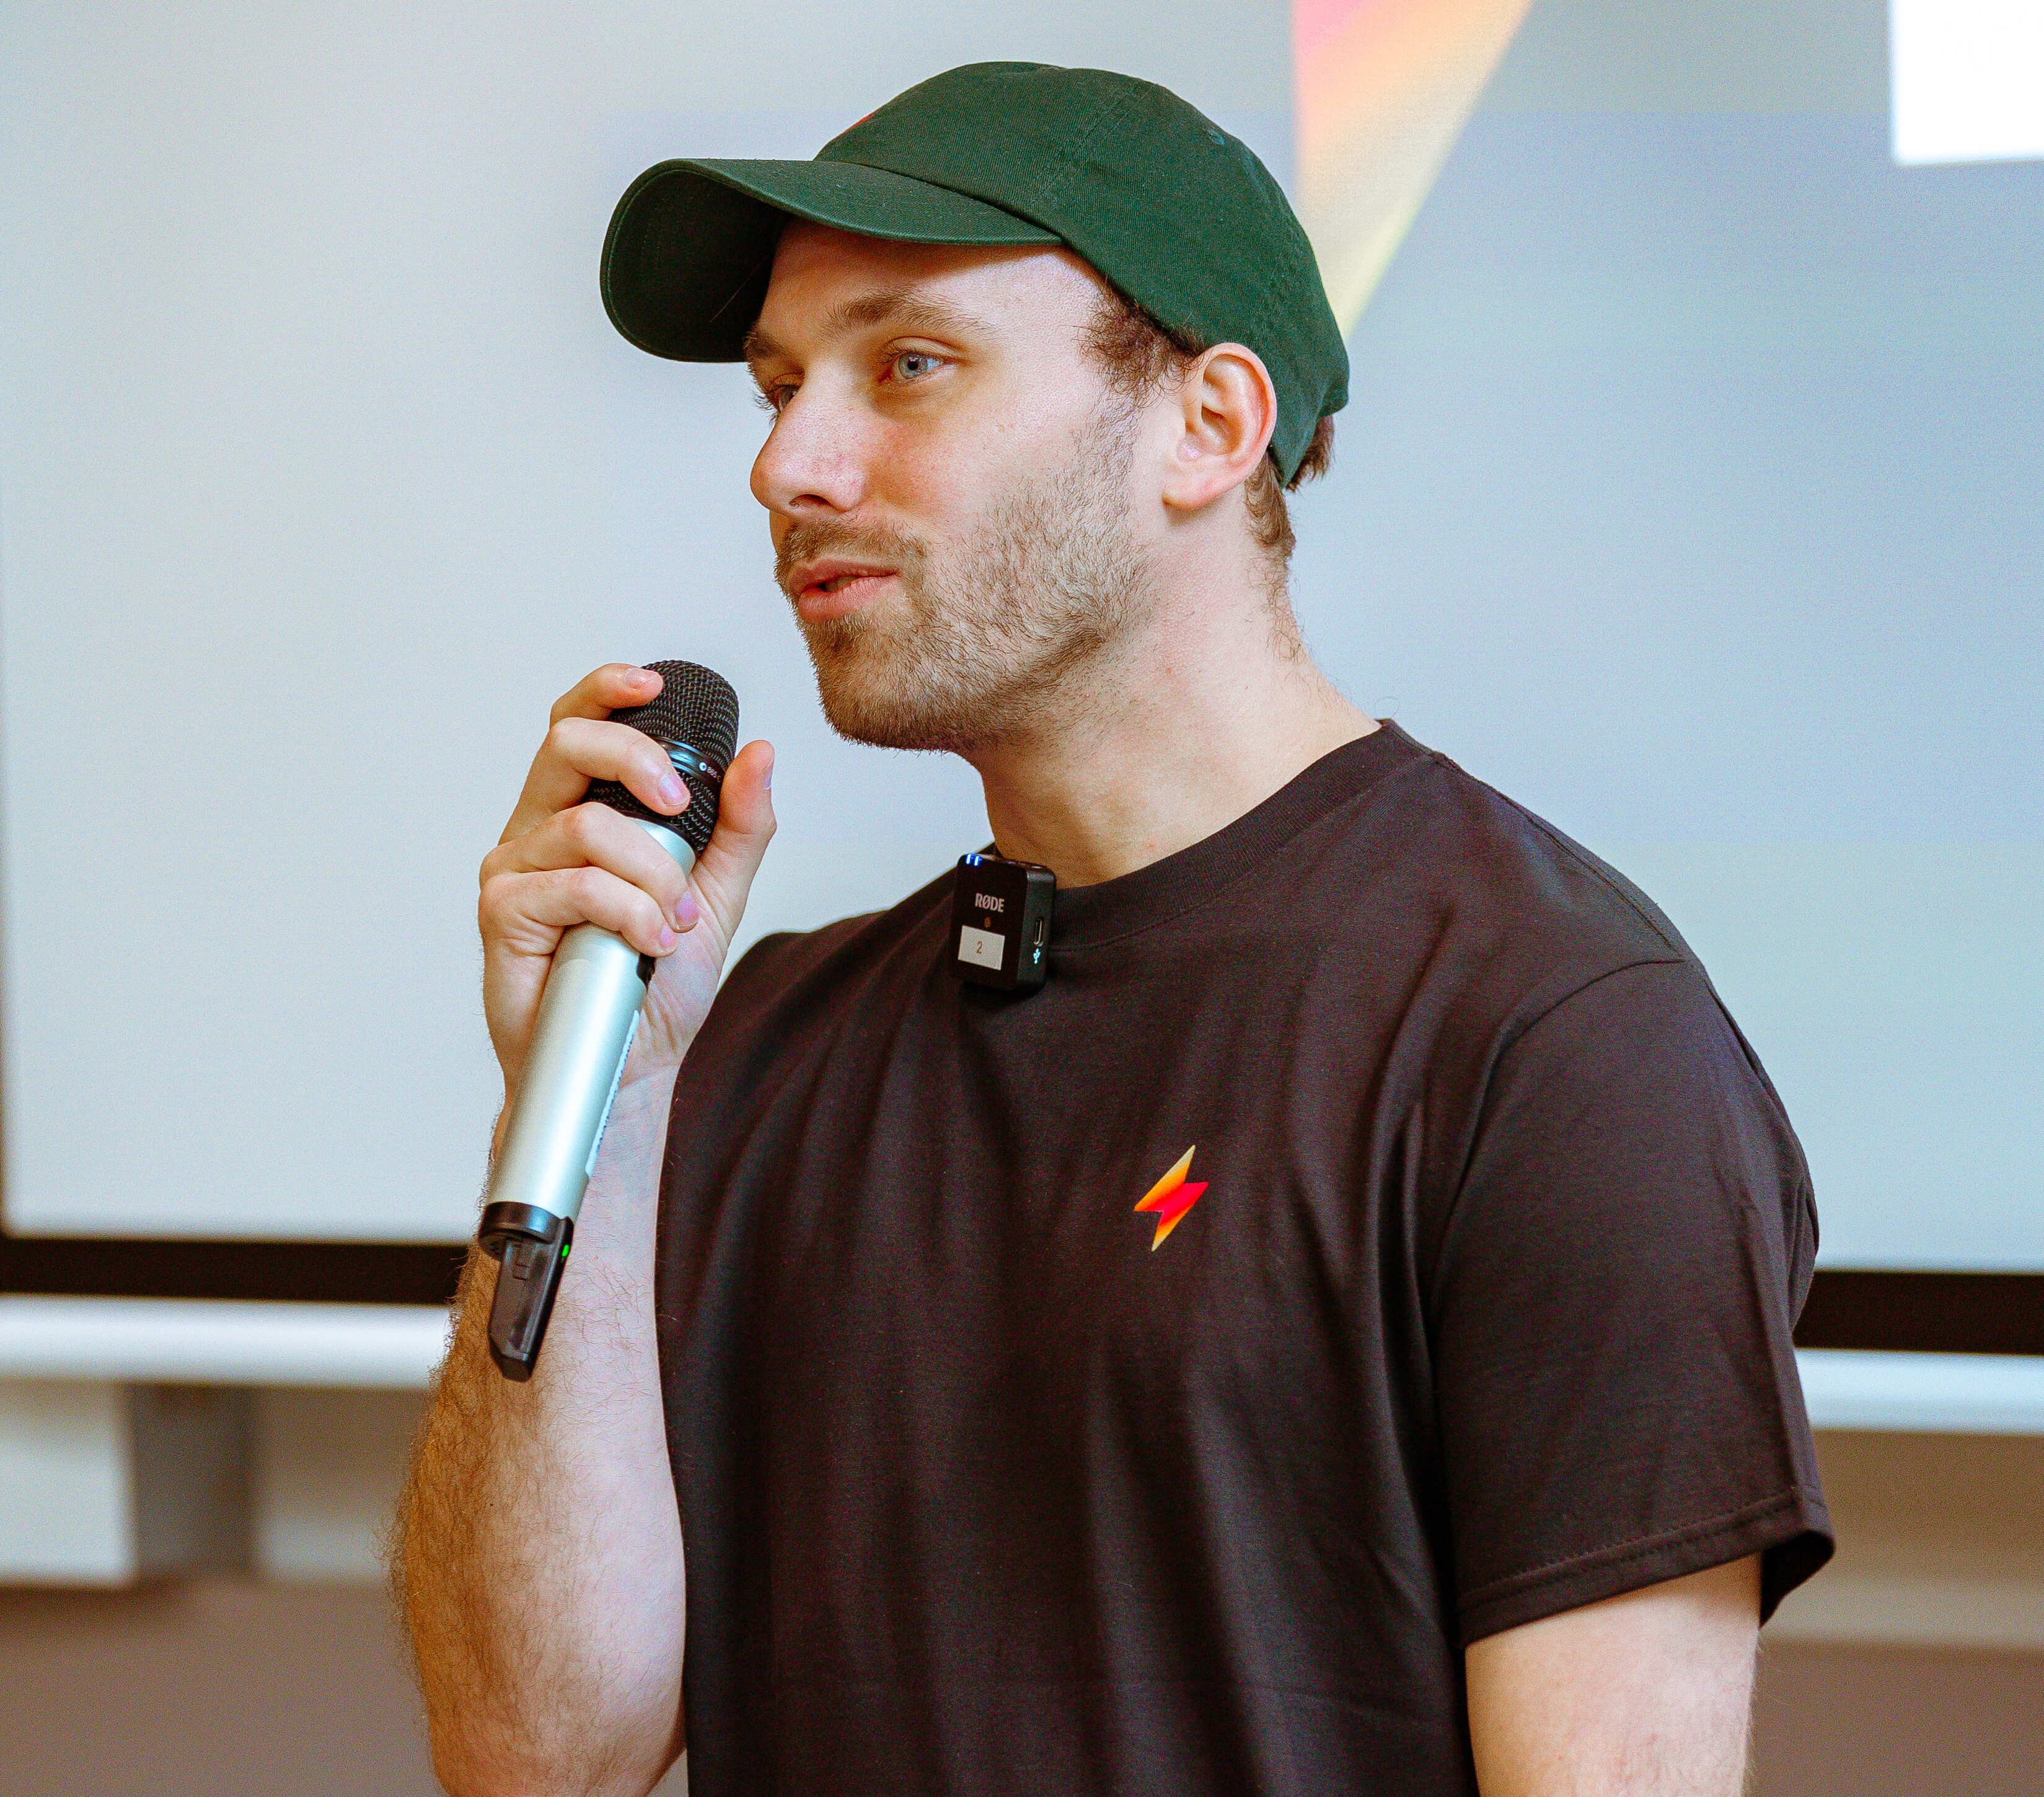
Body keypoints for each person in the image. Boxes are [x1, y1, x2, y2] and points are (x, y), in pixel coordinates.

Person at [396, 62, 1831, 1797]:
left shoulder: (1553, 1038)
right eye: (778, 389)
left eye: (908, 365)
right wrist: (603, 1113)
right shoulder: (757, 1042)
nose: (789, 464)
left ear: (1208, 427)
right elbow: (535, 1755)